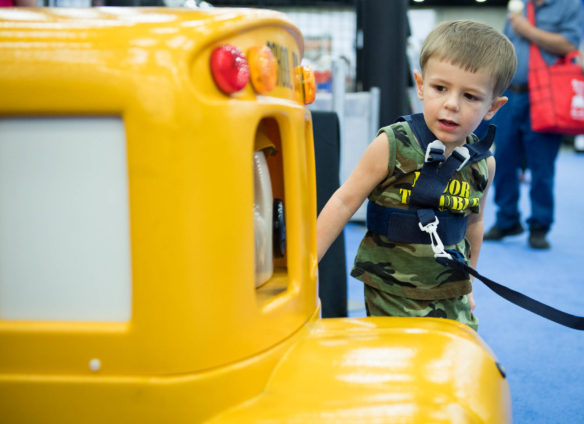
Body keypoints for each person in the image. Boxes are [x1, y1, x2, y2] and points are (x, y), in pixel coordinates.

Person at [316, 20, 516, 331]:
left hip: (452, 290)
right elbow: (344, 201)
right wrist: (306, 264)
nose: (451, 104)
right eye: (440, 88)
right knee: (397, 366)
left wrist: (470, 282)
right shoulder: (392, 144)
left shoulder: (482, 164)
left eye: (471, 97)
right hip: (392, 290)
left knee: (453, 362)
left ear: (493, 107)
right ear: (421, 86)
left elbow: (474, 223)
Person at [484, 0, 584, 249]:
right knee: (503, 160)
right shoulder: (519, 5)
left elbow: (570, 43)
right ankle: (507, 219)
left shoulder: (569, 5)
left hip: (545, 97)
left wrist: (527, 29)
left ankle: (540, 225)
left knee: (542, 165)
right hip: (509, 95)